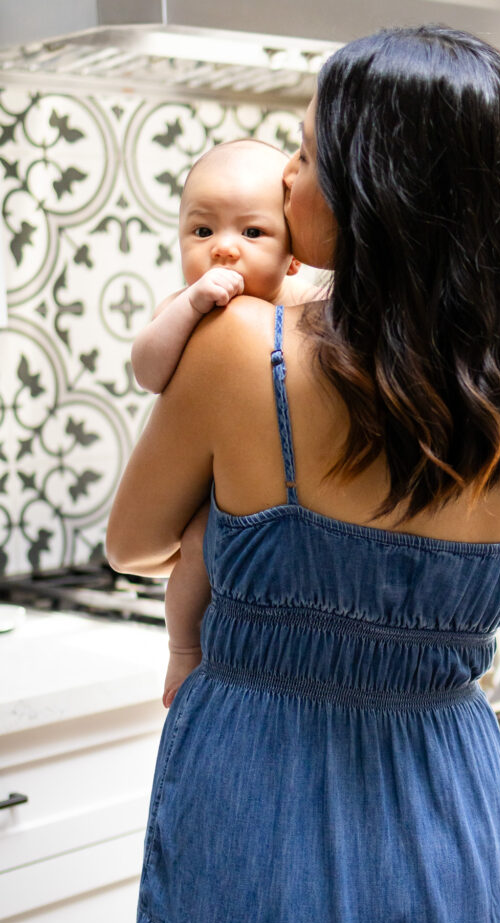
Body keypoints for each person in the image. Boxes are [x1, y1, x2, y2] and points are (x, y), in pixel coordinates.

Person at [107, 24, 500, 923]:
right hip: (441, 806)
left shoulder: (242, 352)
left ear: (378, 189)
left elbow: (130, 544)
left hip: (259, 790)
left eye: (307, 153)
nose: (287, 182)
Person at [130, 139, 319, 707]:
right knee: (194, 549)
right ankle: (185, 650)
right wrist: (189, 309)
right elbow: (148, 371)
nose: (224, 250)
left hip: (284, 500)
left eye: (252, 233)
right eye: (203, 231)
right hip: (210, 494)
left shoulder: (305, 305)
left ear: (293, 257)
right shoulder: (184, 307)